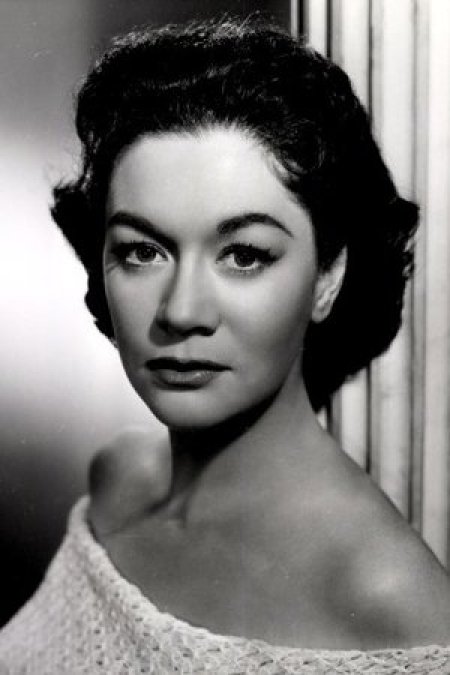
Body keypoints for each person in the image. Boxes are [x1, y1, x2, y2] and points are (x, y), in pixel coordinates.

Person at [1, 16, 450, 674]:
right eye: (142, 250)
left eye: (243, 255)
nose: (181, 311)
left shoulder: (389, 602)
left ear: (328, 276)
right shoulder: (117, 479)